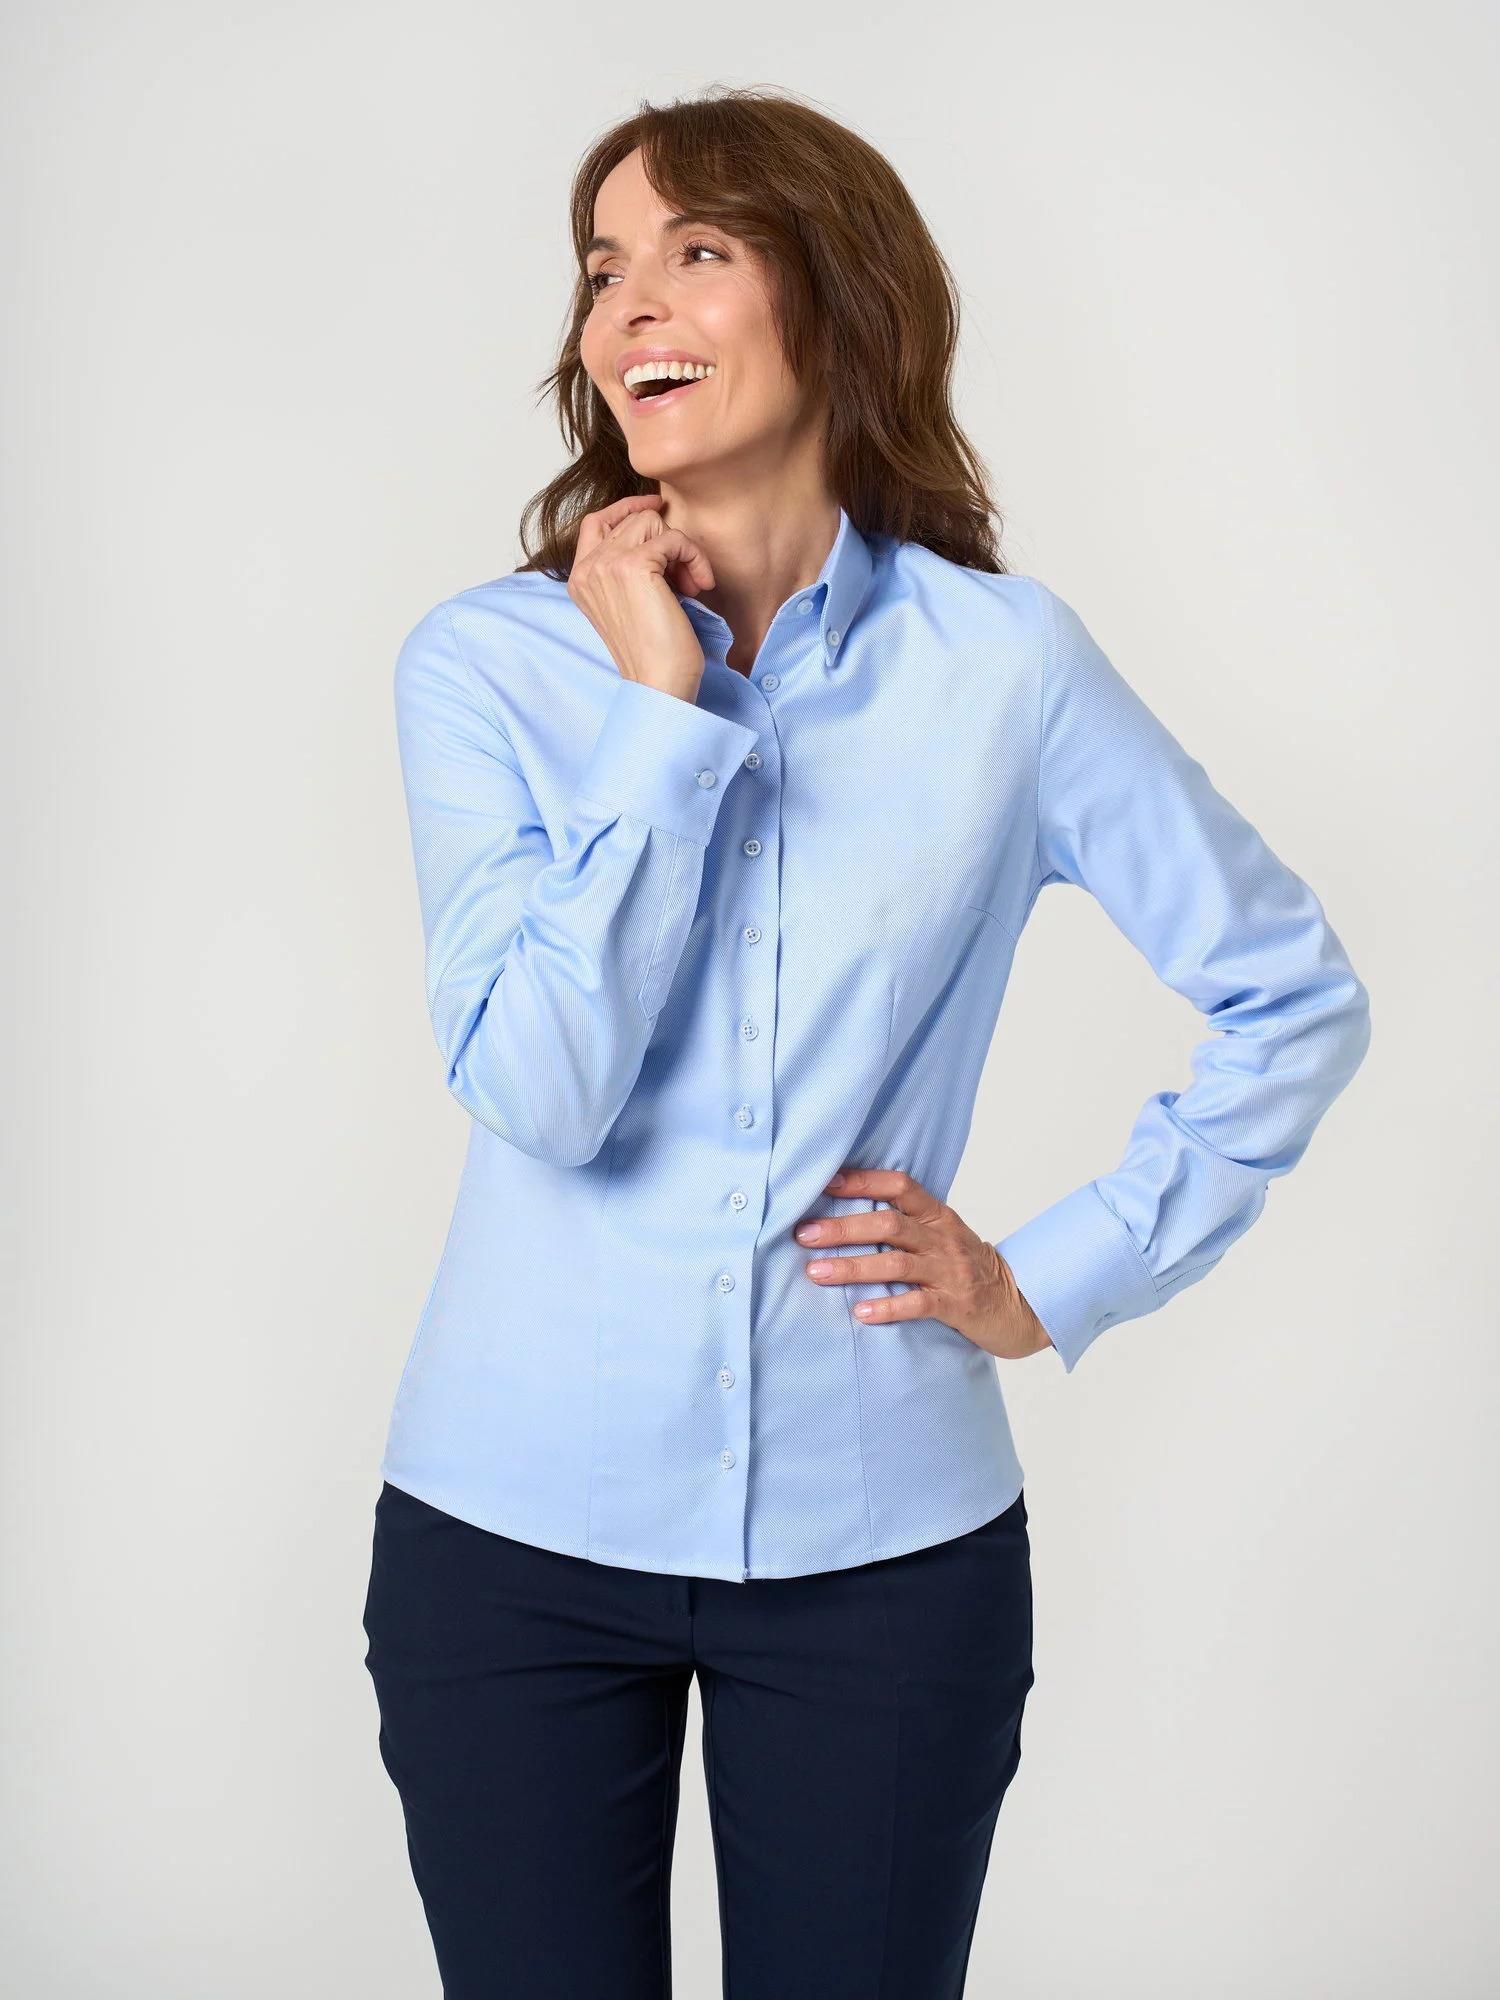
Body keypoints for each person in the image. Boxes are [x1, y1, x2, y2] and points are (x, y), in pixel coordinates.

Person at [360, 86, 1371, 2000]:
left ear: (838, 296)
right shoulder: (486, 667)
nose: (629, 304)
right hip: (510, 1543)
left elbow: (1289, 991)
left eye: (697, 250)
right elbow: (539, 1093)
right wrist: (662, 717)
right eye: (602, 267)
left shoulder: (1007, 670)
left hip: (886, 1554)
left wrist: (1049, 1275)